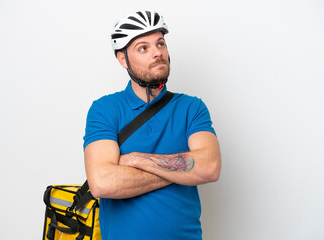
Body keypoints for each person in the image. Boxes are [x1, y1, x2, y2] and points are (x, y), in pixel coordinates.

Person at [83, 10, 221, 240]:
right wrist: (184, 171)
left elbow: (209, 167)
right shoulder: (105, 109)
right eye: (143, 48)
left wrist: (135, 159)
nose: (157, 53)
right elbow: (102, 183)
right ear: (122, 59)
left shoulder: (191, 108)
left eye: (160, 44)